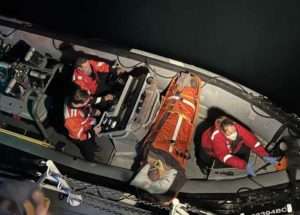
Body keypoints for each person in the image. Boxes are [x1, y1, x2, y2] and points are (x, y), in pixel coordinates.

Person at [201, 116, 277, 176]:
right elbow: (223, 156)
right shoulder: (217, 136)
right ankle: (203, 167)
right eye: (230, 133)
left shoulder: (236, 126)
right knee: (204, 157)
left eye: (234, 130)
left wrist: (265, 155)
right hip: (209, 147)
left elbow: (253, 142)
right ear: (223, 132)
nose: (234, 134)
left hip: (232, 146)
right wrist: (244, 165)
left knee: (242, 149)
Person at [64, 89, 104, 162]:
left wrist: (94, 111)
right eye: (87, 102)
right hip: (80, 136)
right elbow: (80, 136)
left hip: (87, 125)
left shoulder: (77, 98)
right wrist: (93, 132)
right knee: (87, 148)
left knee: (92, 139)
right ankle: (91, 159)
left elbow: (88, 106)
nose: (89, 102)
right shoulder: (71, 119)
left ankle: (94, 146)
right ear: (80, 104)